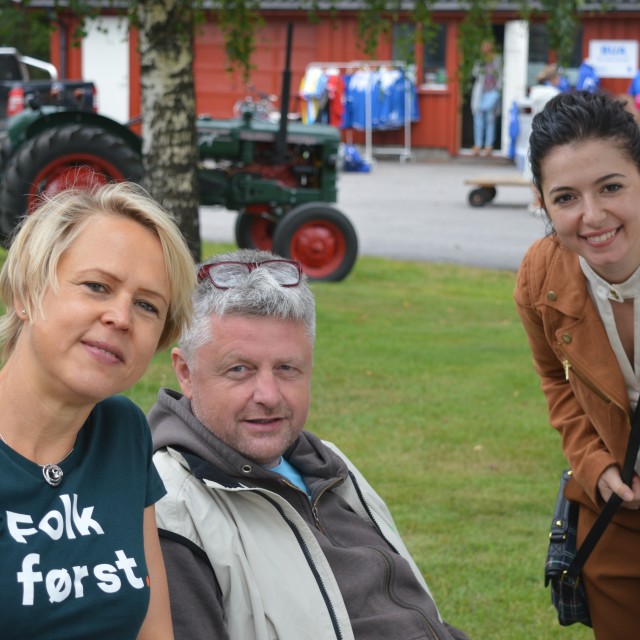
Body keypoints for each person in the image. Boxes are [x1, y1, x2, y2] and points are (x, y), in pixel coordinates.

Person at [149, 248, 470, 640]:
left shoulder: (325, 462)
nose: (268, 394)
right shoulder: (168, 507)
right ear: (186, 372)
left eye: (287, 368)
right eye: (239, 370)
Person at [0, 182, 196, 640]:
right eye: (97, 287)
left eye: (147, 305)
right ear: (28, 291)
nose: (121, 318)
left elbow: (154, 631)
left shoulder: (123, 431)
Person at [514, 91, 640, 638]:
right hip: (616, 515)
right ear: (542, 203)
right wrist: (594, 465)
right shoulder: (540, 274)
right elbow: (552, 379)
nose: (593, 216)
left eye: (612, 186)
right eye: (566, 197)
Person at [470, 39, 503, 157]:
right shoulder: (480, 60)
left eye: (486, 47)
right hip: (481, 92)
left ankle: (488, 145)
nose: (484, 49)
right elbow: (474, 73)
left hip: (492, 92)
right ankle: (478, 145)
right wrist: (481, 65)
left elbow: (500, 75)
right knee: (478, 117)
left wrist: (498, 90)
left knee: (490, 118)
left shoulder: (497, 59)